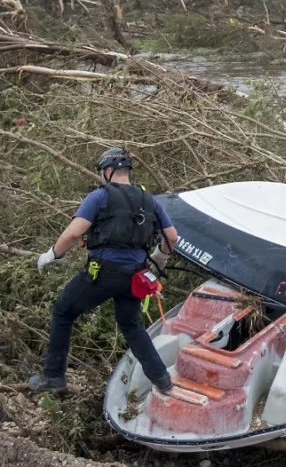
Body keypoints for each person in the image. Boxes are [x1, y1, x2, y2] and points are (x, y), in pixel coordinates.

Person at [29, 148, 178, 394]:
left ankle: (54, 377)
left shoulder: (100, 196)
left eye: (101, 172)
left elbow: (74, 233)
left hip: (103, 272)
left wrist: (52, 254)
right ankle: (163, 380)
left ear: (108, 171)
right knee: (131, 326)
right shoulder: (149, 200)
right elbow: (172, 237)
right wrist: (158, 259)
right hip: (135, 276)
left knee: (63, 312)